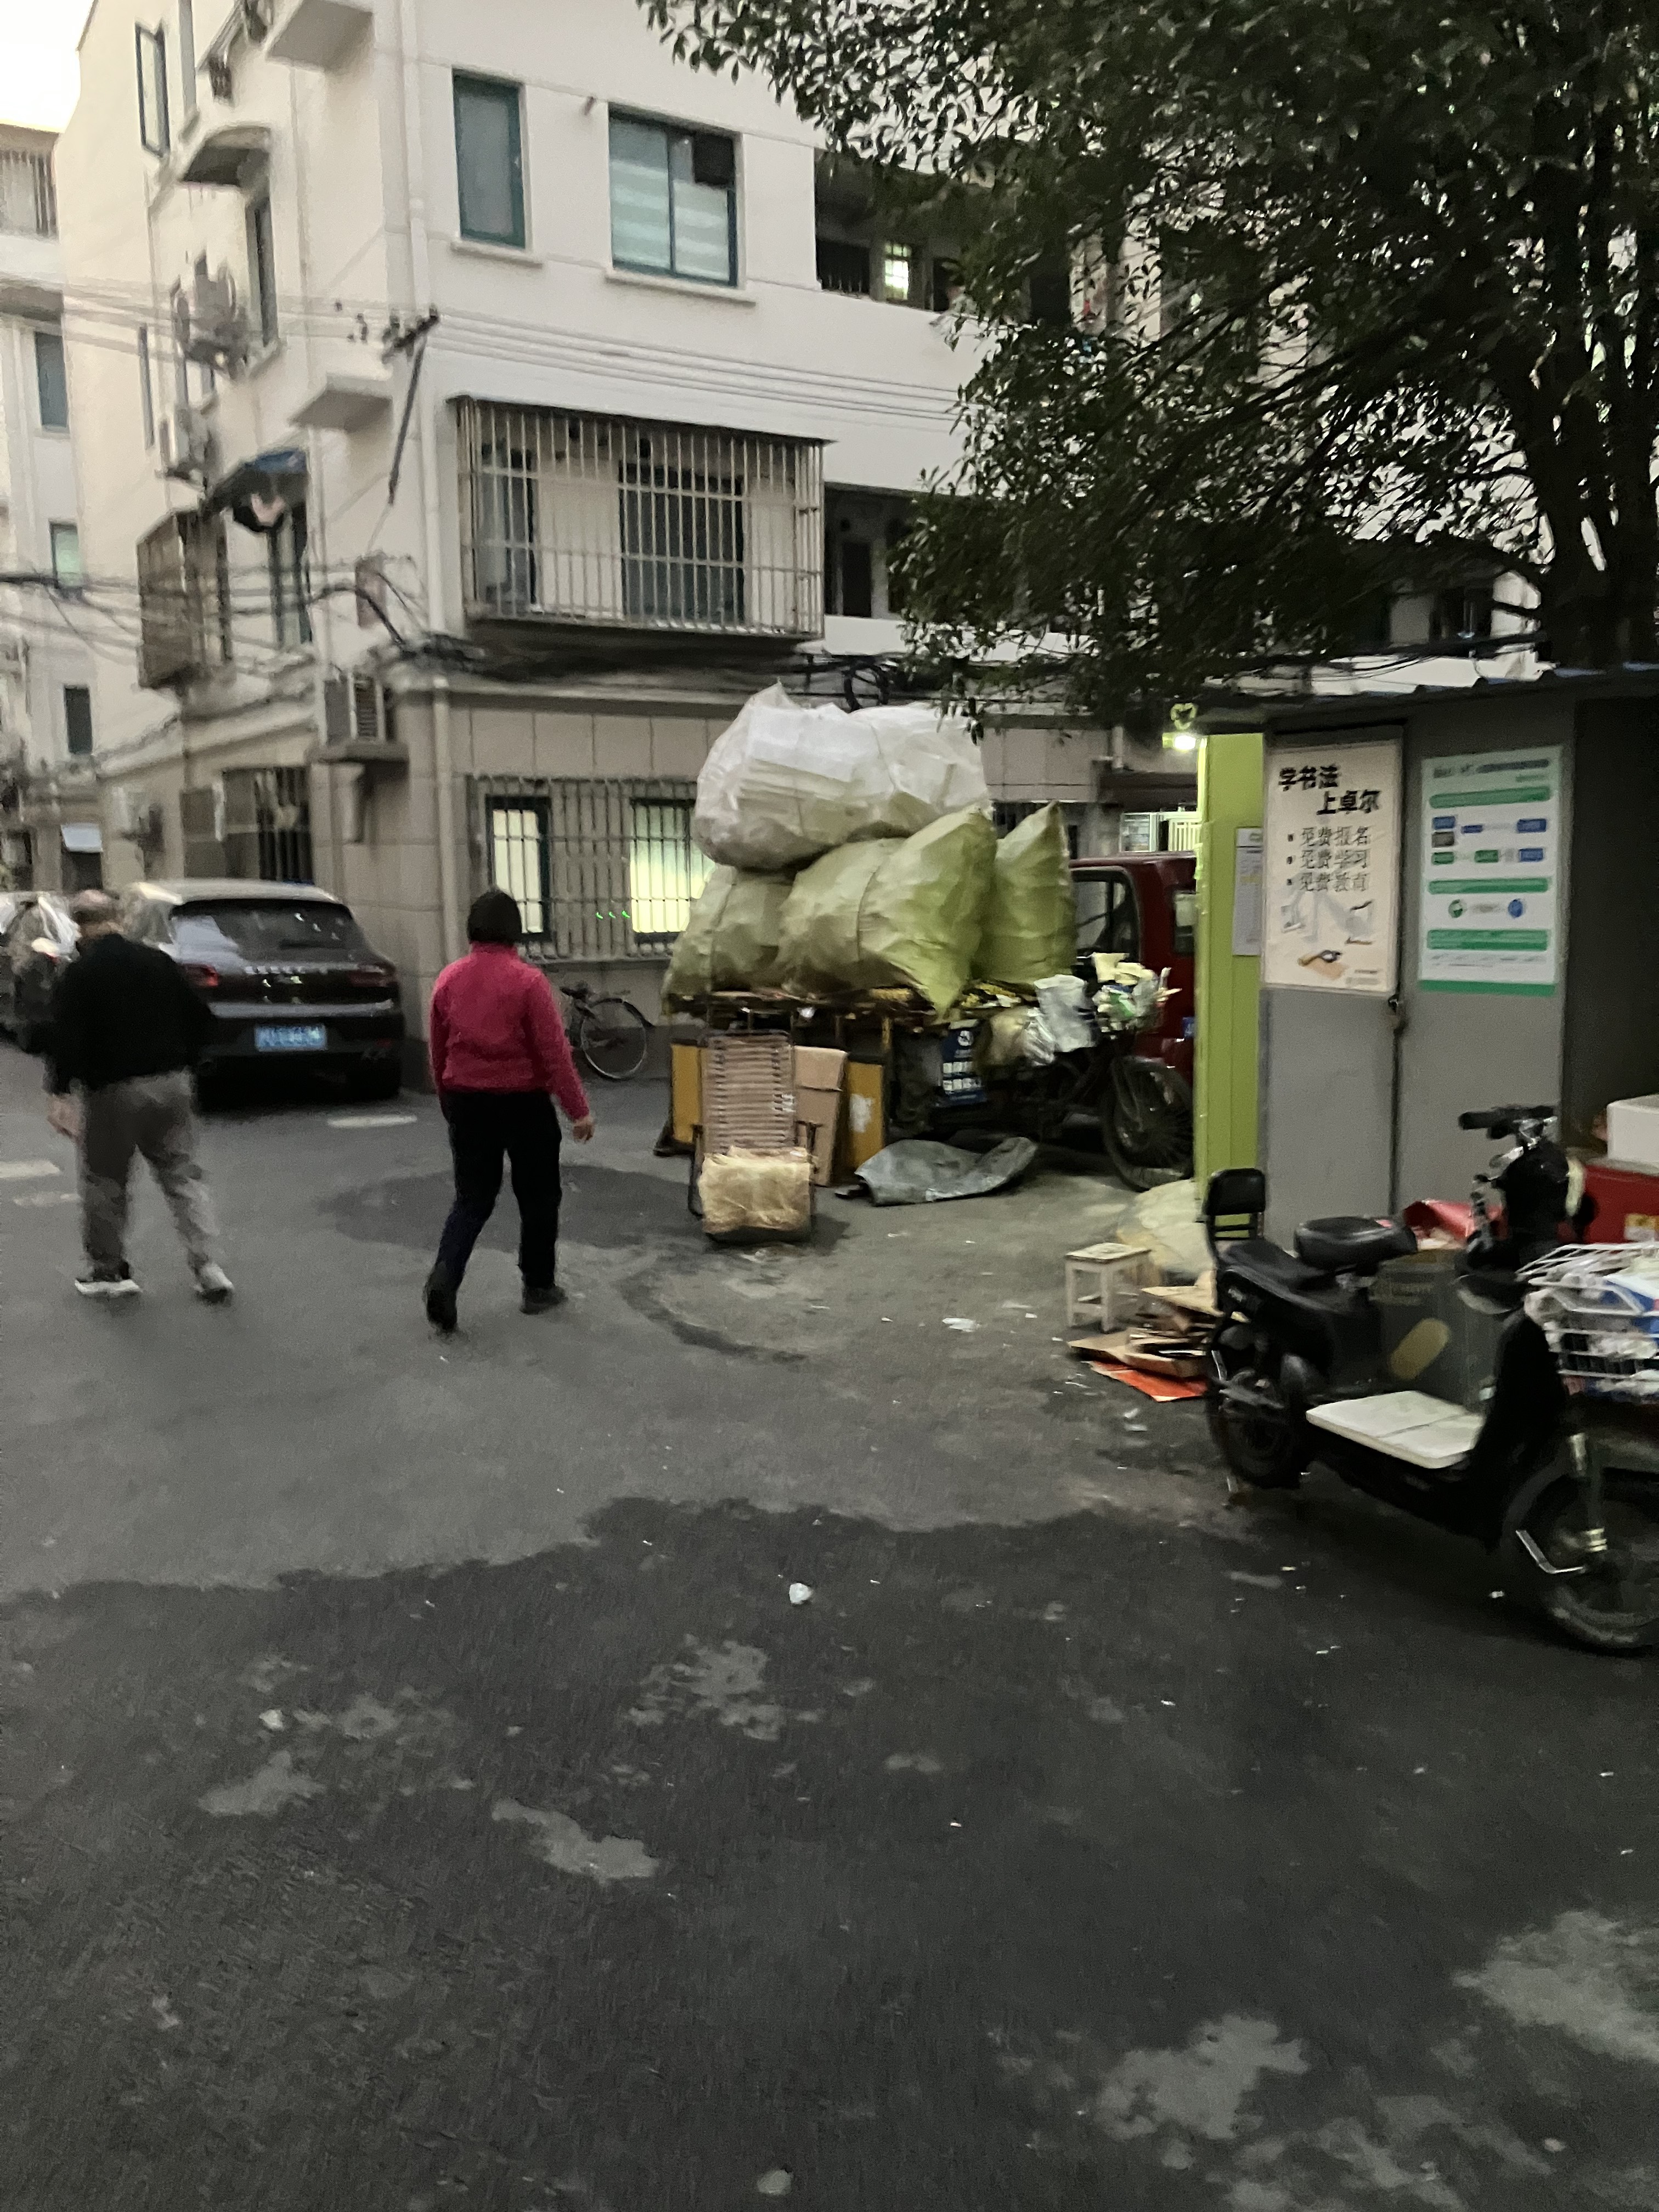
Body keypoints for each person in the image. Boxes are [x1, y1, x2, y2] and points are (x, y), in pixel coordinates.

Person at [44, 888, 234, 1302]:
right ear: (119, 919)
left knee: (105, 1179)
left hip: (113, 1090)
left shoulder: (80, 974)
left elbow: (66, 1037)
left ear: (79, 925)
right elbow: (202, 1020)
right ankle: (208, 1267)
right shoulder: (159, 962)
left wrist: (60, 1093)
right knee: (181, 1174)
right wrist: (185, 1062)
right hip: (172, 1083)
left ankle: (109, 1271)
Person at [424, 888, 594, 1333]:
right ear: (515, 931)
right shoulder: (528, 983)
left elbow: (439, 1051)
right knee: (539, 1197)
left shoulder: (449, 980)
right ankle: (538, 1286)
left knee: (472, 1199)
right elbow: (554, 1053)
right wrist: (578, 1110)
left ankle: (445, 1276)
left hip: (466, 1099)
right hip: (524, 1103)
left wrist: (447, 1101)